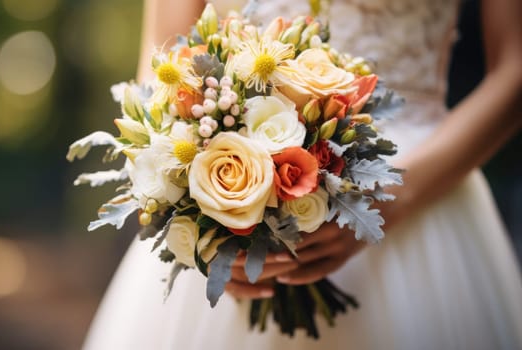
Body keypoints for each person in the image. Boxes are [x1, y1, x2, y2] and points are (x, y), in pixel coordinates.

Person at [83, 0, 522, 348]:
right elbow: (161, 57)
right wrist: (205, 218)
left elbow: (515, 71)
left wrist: (394, 194)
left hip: (425, 194)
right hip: (220, 153)